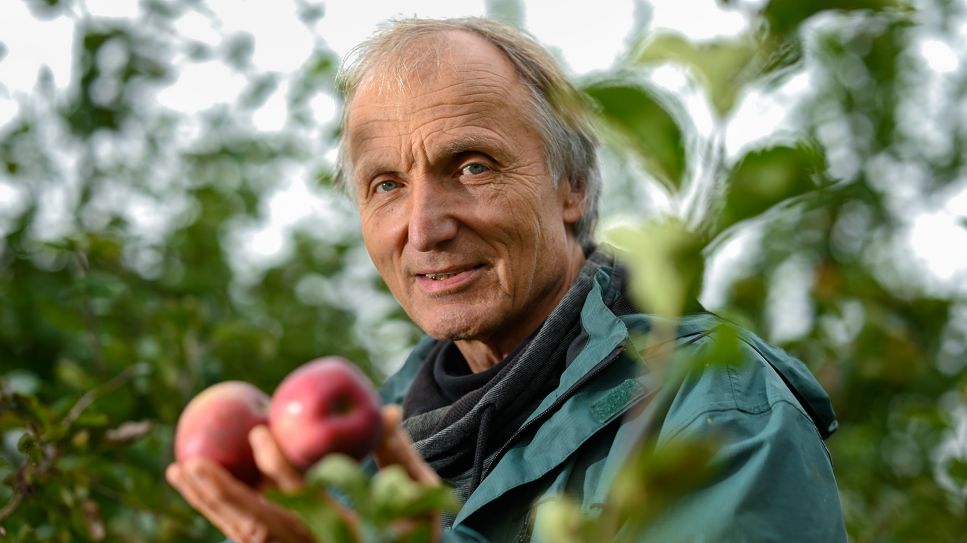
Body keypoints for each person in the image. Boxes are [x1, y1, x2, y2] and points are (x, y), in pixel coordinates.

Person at [167, 17, 847, 542]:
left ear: (571, 188)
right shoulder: (355, 467)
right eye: (386, 184)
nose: (424, 226)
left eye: (471, 167)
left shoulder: (710, 409)